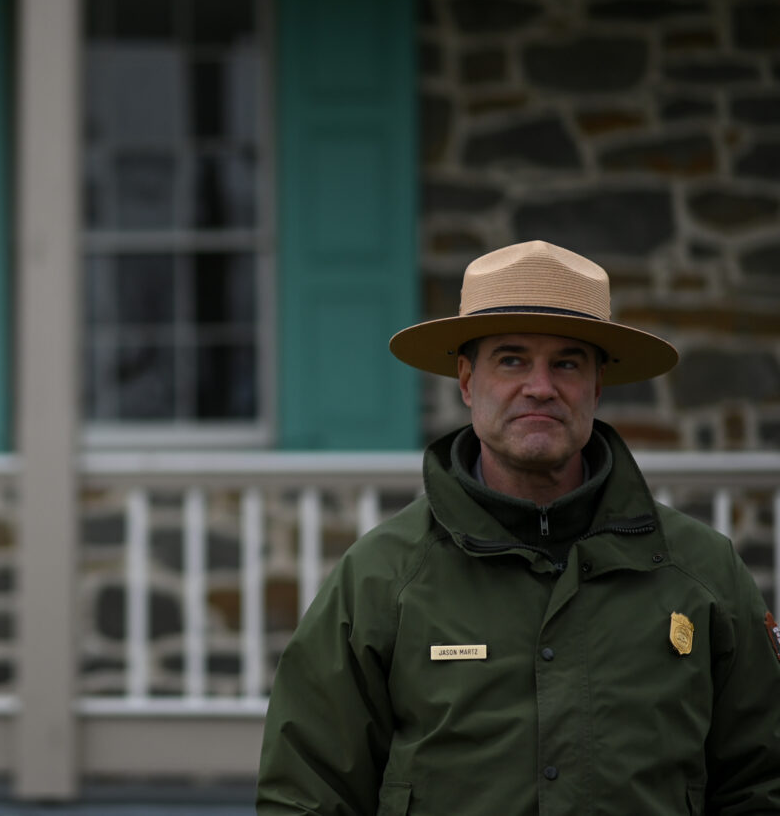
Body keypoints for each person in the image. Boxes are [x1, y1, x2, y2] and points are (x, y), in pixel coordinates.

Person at [256, 240, 780, 815]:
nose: (540, 386)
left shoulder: (702, 573)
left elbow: (762, 782)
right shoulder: (381, 579)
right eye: (511, 359)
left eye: (567, 363)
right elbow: (306, 795)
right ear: (465, 381)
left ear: (596, 386)